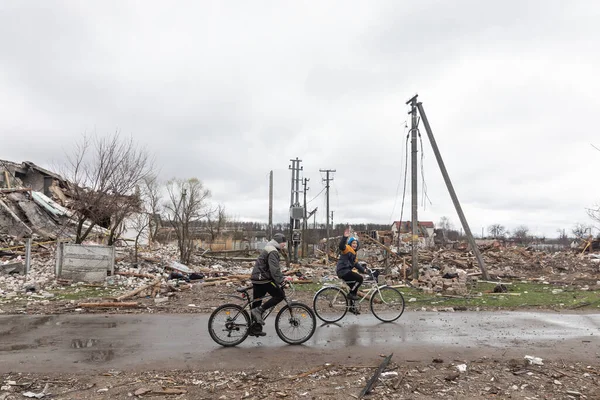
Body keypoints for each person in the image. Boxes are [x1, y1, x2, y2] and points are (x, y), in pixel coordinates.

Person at [250, 233, 287, 325]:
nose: (284, 244)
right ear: (278, 242)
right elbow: (274, 269)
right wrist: (281, 281)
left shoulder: (270, 248)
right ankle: (260, 310)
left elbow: (272, 269)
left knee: (257, 303)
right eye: (283, 242)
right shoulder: (273, 251)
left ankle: (254, 328)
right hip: (262, 279)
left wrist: (280, 278)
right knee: (280, 295)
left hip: (258, 278)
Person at [336, 227, 366, 301]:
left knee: (353, 288)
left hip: (345, 271)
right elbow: (341, 246)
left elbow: (356, 264)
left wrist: (364, 270)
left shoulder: (354, 253)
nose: (355, 245)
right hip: (343, 271)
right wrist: (345, 237)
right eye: (353, 243)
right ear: (350, 243)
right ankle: (350, 294)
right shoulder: (347, 249)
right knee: (360, 278)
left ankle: (352, 308)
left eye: (356, 243)